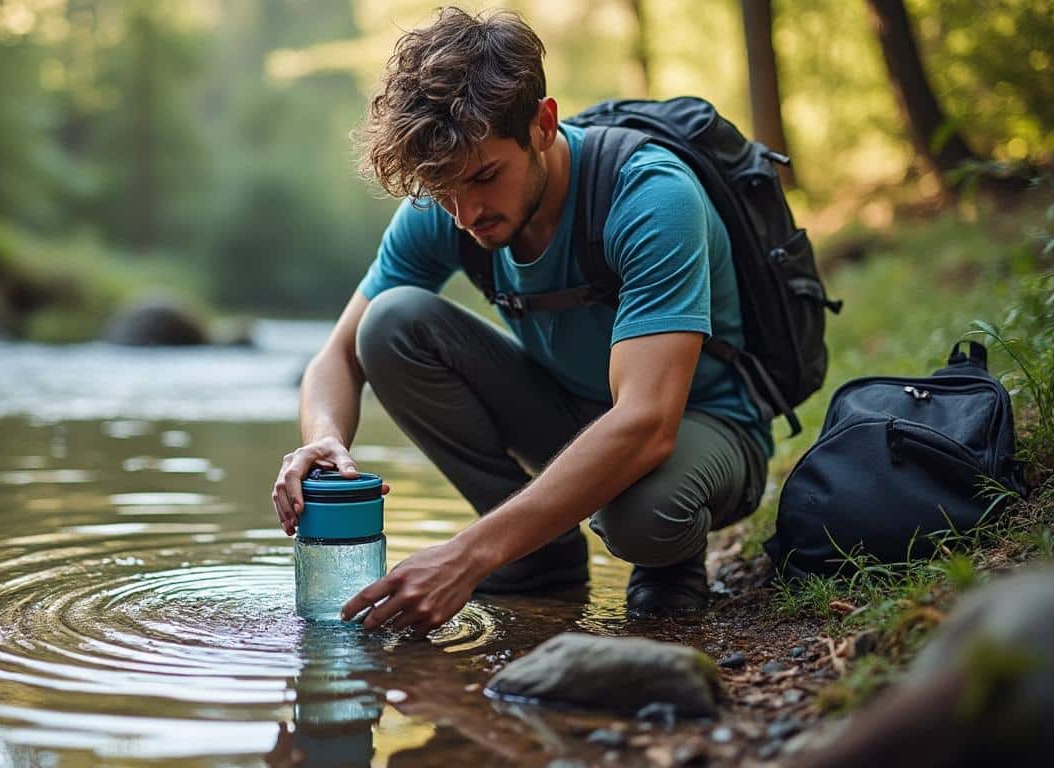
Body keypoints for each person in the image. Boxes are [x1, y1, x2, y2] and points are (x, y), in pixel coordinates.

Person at [270, 6, 771, 633]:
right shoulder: (452, 207)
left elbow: (645, 424)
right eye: (442, 189)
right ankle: (540, 560)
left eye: (484, 176)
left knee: (641, 514)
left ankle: (669, 565)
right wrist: (324, 440)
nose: (466, 213)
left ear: (543, 124)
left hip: (703, 425)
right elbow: (336, 357)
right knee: (389, 324)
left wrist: (467, 554)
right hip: (570, 414)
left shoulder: (649, 195)